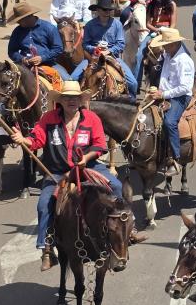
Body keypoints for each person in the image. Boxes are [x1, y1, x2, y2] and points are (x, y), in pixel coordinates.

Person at [10, 81, 146, 270]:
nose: (71, 101)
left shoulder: (91, 118)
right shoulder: (48, 119)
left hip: (88, 166)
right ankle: (47, 247)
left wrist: (86, 158)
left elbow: (100, 145)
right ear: (61, 101)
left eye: (75, 98)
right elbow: (36, 139)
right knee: (44, 205)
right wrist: (23, 139)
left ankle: (128, 229)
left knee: (115, 186)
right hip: (57, 172)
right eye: (67, 98)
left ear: (81, 100)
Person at [147, 28, 196, 176]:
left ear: (174, 43)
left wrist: (163, 94)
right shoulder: (168, 54)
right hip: (163, 93)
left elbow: (184, 88)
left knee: (169, 122)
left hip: (179, 97)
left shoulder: (184, 61)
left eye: (166, 44)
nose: (164, 47)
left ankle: (176, 159)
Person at [73, 2, 138, 96]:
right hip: (93, 58)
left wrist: (109, 51)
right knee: (73, 78)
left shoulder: (117, 24)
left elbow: (120, 44)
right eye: (104, 9)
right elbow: (85, 44)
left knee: (133, 83)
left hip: (112, 57)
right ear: (98, 10)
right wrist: (95, 49)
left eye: (109, 10)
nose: (107, 12)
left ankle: (131, 105)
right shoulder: (89, 25)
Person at [6, 2, 68, 80]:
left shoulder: (49, 28)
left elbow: (58, 48)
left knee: (68, 81)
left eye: (20, 20)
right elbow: (12, 51)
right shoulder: (17, 31)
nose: (18, 23)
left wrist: (42, 58)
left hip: (48, 64)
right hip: (23, 65)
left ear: (29, 17)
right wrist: (22, 59)